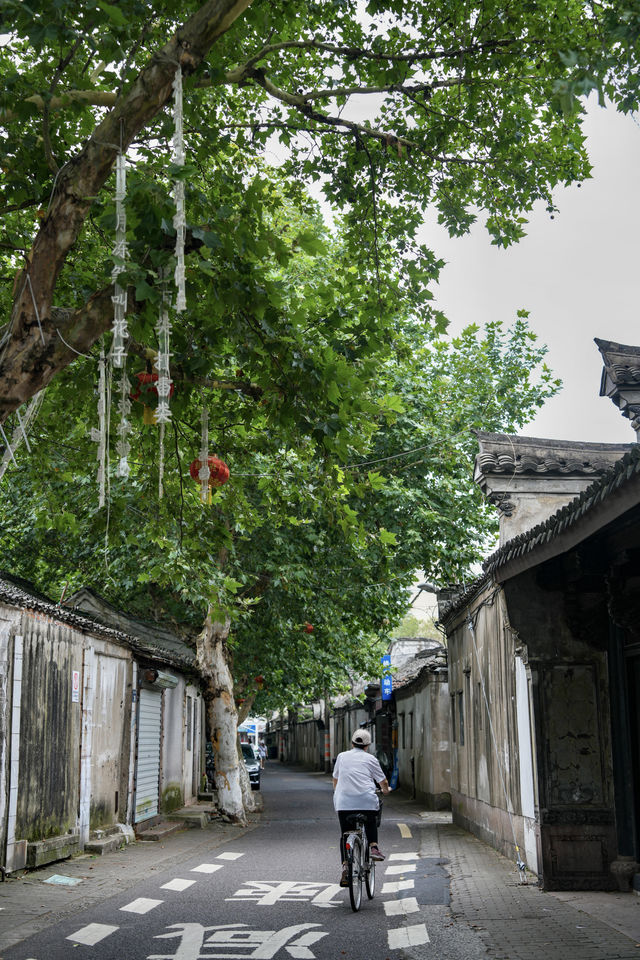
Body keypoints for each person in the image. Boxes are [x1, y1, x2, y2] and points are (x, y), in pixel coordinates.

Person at [332, 728, 390, 887]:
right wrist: (385, 790)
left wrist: (339, 793)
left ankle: (345, 866)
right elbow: (382, 781)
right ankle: (374, 847)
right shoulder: (371, 759)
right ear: (367, 745)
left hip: (343, 803)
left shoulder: (342, 757)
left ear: (352, 743)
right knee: (371, 818)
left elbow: (335, 779)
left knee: (345, 834)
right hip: (366, 801)